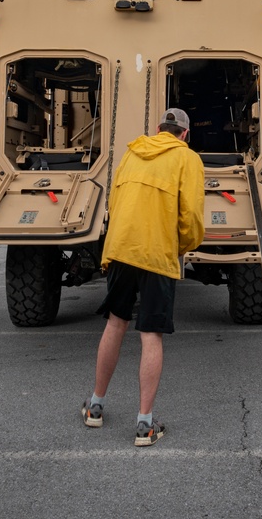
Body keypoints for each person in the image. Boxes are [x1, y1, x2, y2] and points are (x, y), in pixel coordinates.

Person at [82, 108, 205, 446]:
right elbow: (191, 214)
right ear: (185, 134)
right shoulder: (187, 159)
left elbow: (115, 200)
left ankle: (95, 406)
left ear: (157, 129)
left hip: (122, 249)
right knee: (150, 335)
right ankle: (145, 424)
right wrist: (183, 245)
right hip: (156, 254)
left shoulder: (132, 152)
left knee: (115, 322)